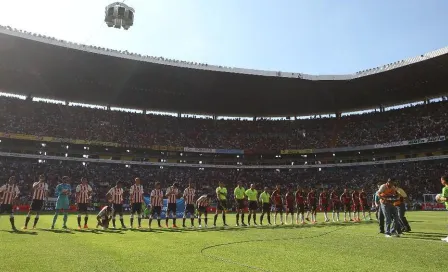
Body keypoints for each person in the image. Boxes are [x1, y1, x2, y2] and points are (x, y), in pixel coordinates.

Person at [439, 176, 448, 242]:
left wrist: (439, 198)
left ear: (445, 181)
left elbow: (446, 199)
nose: (441, 181)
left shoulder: (445, 188)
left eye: (442, 180)